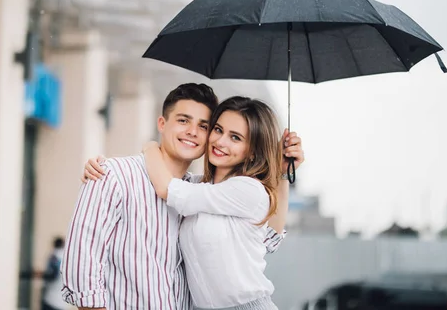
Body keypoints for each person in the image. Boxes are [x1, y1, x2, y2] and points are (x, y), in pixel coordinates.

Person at [84, 96, 305, 310]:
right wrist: (104, 167)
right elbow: (269, 238)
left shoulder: (248, 190)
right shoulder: (201, 187)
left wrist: (150, 146)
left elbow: (167, 188)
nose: (220, 141)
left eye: (235, 137)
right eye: (218, 130)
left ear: (252, 151)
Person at [60, 83, 219, 310]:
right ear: (162, 124)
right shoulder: (112, 175)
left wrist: (283, 170)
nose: (192, 131)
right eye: (183, 120)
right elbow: (81, 261)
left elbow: (261, 232)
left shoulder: (198, 192)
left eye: (203, 126)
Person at [41, 236, 69, 310]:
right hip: (62, 302)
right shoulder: (67, 257)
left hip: (51, 299)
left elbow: (52, 275)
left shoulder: (54, 256)